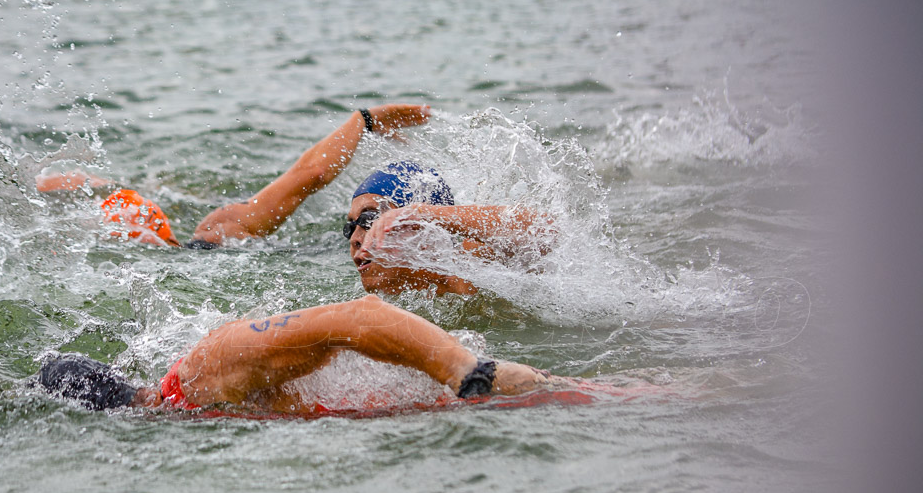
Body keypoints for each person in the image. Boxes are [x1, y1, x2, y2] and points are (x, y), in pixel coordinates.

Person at [35, 295, 584, 414]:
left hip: (490, 394)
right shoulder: (187, 414)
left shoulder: (205, 369)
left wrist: (468, 371)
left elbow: (354, 317)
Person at [36, 105, 431, 248]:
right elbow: (310, 174)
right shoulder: (223, 230)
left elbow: (310, 174)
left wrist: (364, 120)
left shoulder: (221, 230)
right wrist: (364, 120)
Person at [343, 161, 555, 295]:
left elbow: (546, 231)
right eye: (350, 227)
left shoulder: (473, 267)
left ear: (421, 228)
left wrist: (424, 213)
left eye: (370, 219)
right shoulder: (378, 307)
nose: (355, 239)